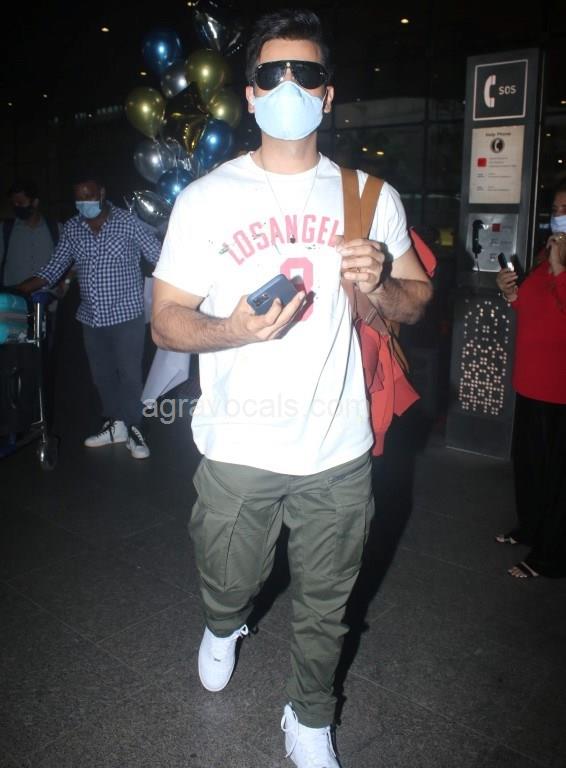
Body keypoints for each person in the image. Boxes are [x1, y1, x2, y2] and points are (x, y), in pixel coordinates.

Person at [151, 8, 432, 767]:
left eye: (304, 74)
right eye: (271, 75)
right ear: (249, 96)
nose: (288, 88)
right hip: (240, 441)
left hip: (336, 447)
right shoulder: (207, 198)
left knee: (327, 600)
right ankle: (223, 621)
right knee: (228, 578)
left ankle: (309, 715)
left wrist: (381, 285)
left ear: (327, 93)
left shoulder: (370, 197)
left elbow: (415, 301)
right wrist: (234, 330)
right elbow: (166, 322)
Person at [17, 173, 161, 459]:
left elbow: (158, 256)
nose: (84, 202)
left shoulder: (128, 222)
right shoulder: (73, 228)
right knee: (102, 376)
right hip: (92, 318)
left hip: (126, 314)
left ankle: (135, 427)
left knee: (129, 376)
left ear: (102, 193)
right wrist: (18, 290)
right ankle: (115, 425)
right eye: (79, 198)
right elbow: (53, 268)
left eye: (89, 196)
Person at [495, 180, 566, 579]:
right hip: (530, 384)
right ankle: (531, 528)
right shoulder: (546, 253)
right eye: (555, 208)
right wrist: (510, 294)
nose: (559, 215)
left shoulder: (556, 260)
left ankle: (551, 556)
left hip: (560, 391)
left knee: (557, 479)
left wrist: (559, 270)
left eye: (565, 208)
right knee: (529, 467)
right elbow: (532, 306)